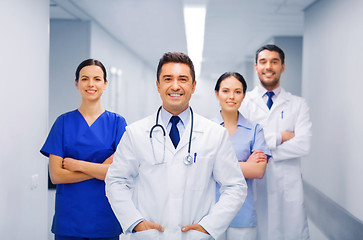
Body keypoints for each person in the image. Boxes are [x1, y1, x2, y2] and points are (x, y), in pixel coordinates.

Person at [105, 52, 247, 240]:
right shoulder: (135, 133)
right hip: (150, 236)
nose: (175, 86)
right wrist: (135, 222)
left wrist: (209, 227)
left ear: (193, 86)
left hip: (196, 236)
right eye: (168, 79)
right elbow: (116, 181)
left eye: (183, 79)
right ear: (158, 85)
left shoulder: (214, 134)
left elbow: (235, 187)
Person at [40, 59, 127, 240]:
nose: (91, 84)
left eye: (97, 79)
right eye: (85, 78)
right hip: (69, 221)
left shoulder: (117, 123)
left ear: (105, 84)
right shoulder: (62, 123)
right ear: (77, 83)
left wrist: (77, 164)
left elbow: (118, 172)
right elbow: (56, 175)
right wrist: (99, 169)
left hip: (105, 219)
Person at [240, 44, 312, 240]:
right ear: (256, 67)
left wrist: (262, 149)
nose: (268, 66)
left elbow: (303, 144)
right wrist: (280, 137)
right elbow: (242, 146)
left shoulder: (298, 104)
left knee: (290, 233)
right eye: (263, 62)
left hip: (288, 185)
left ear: (283, 66)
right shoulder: (244, 103)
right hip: (256, 186)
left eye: (274, 61)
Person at [213, 72, 271, 240]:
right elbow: (202, 167)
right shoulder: (206, 128)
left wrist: (216, 166)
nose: (231, 96)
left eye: (237, 92)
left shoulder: (255, 130)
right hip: (210, 213)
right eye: (225, 91)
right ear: (217, 94)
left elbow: (259, 171)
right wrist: (246, 165)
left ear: (243, 95)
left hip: (242, 213)